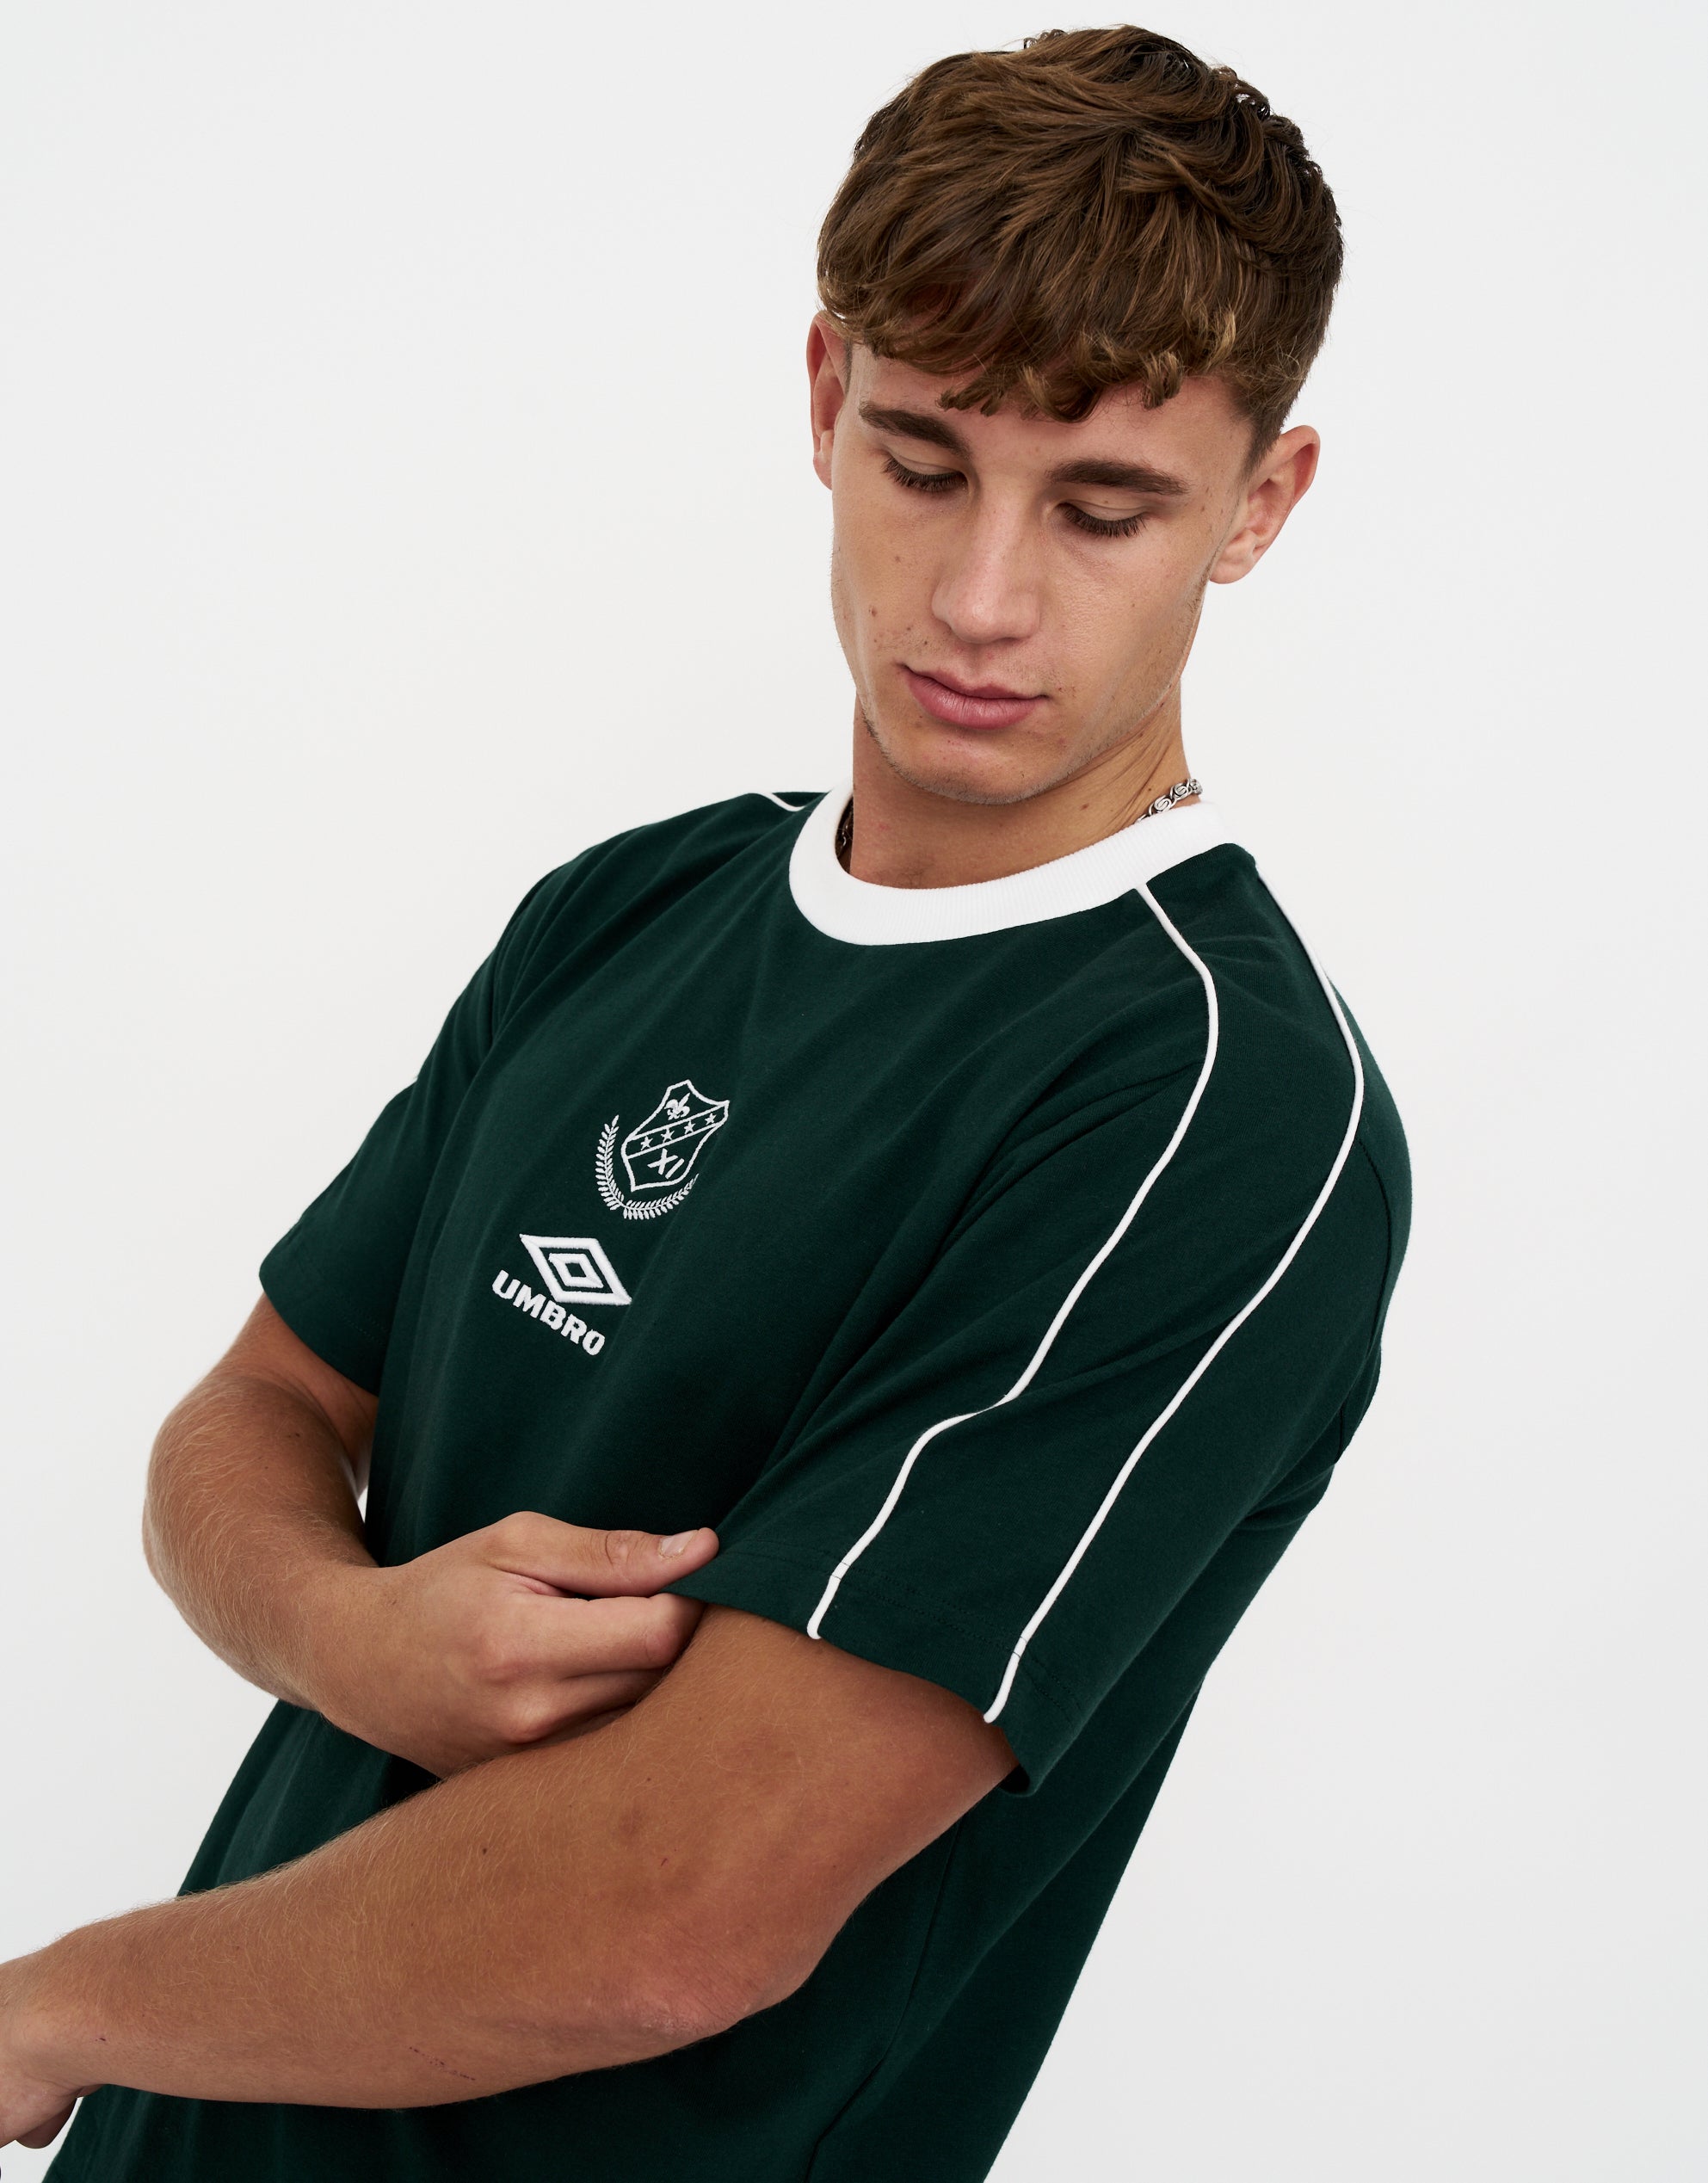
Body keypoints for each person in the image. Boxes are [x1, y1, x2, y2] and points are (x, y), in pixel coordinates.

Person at [2, 25, 1409, 2182]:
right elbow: (254, 1411)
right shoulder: (634, 907)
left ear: (1262, 504)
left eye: (1102, 506)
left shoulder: (1209, 1109)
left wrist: (60, 2007)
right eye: (926, 463)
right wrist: (360, 1635)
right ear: (826, 397)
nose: (981, 600)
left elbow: (681, 1912)